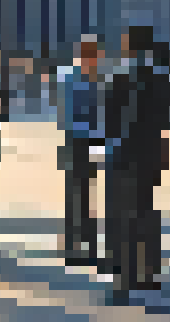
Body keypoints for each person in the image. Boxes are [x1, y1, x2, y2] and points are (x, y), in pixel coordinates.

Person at [105, 25, 170, 304]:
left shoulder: (119, 77)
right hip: (151, 154)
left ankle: (123, 279)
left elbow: (109, 119)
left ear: (129, 45)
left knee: (122, 217)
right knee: (146, 210)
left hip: (124, 154)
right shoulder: (162, 78)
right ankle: (149, 274)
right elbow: (168, 118)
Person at [58, 37, 106, 268]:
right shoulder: (72, 77)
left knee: (86, 195)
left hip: (89, 141)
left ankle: (85, 246)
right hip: (77, 141)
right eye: (95, 54)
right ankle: (74, 248)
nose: (98, 59)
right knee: (76, 195)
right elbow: (69, 114)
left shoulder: (95, 78)